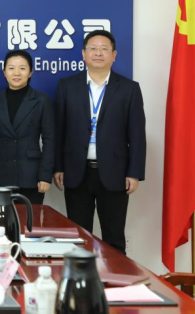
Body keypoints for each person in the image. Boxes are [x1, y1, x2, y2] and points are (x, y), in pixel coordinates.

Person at [53, 29, 146, 254]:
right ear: (83, 54)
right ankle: (80, 277)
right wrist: (58, 167)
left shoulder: (129, 89)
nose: (98, 53)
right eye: (93, 48)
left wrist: (134, 173)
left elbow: (137, 134)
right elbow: (58, 131)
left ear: (114, 55)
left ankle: (115, 277)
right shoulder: (67, 86)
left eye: (104, 49)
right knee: (78, 238)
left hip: (115, 173)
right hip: (77, 172)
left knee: (114, 239)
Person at [0, 50, 55, 204]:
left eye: (22, 68)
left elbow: (50, 140)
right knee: (2, 219)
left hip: (30, 175)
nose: (16, 73)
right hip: (0, 174)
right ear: (4, 72)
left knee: (29, 218)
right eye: (11, 68)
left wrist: (45, 175)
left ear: (30, 72)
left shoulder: (41, 100)